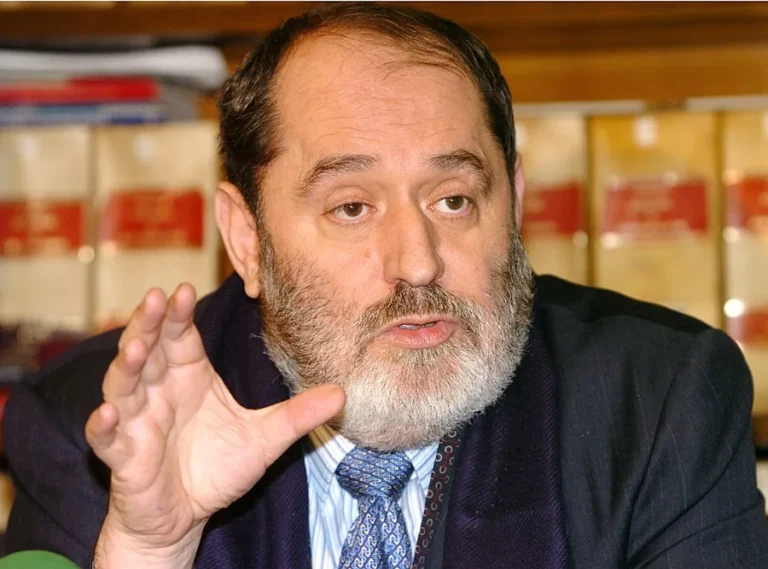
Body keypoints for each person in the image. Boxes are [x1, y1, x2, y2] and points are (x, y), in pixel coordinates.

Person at [4, 3, 768, 568]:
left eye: (454, 199)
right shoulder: (102, 426)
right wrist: (149, 547)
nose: (418, 261)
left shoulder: (657, 400)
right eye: (352, 207)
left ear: (514, 203)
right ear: (247, 239)